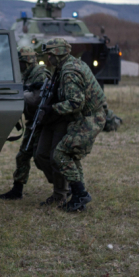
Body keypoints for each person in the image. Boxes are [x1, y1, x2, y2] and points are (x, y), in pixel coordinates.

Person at [36, 38, 107, 212]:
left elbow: (76, 103)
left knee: (60, 154)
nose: (48, 59)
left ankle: (80, 194)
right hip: (85, 117)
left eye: (50, 55)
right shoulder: (68, 66)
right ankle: (78, 197)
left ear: (58, 54)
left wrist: (52, 109)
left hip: (89, 118)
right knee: (72, 155)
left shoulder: (69, 71)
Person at [0, 46, 51, 200]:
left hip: (42, 122)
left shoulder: (40, 74)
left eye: (19, 63)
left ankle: (63, 187)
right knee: (23, 156)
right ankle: (17, 189)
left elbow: (37, 99)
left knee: (42, 158)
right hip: (33, 121)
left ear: (25, 62)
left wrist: (17, 94)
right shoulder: (28, 75)